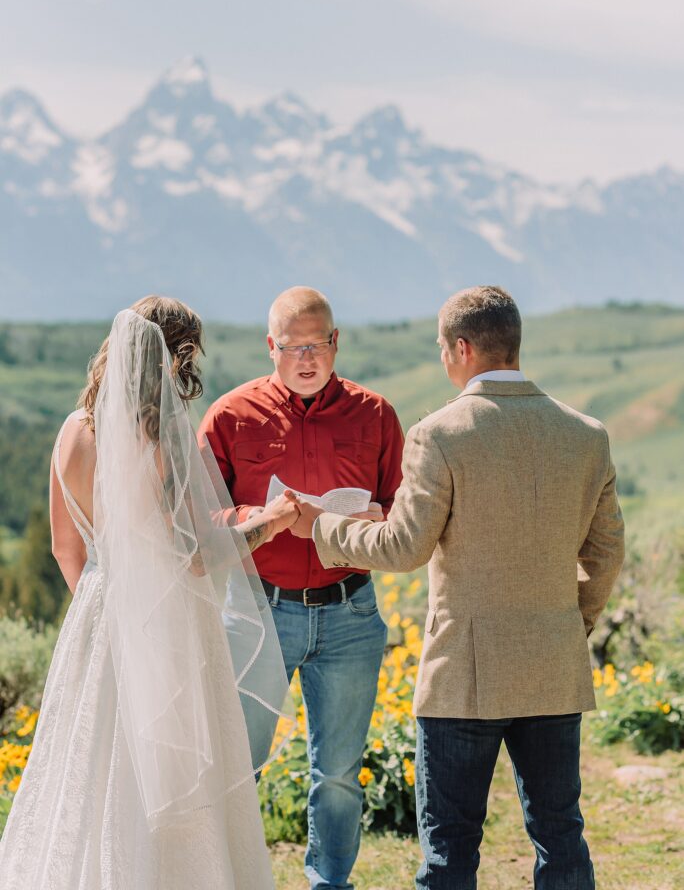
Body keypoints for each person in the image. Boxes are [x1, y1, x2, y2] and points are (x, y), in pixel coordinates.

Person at [289, 285, 625, 890]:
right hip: (552, 661)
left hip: (461, 678)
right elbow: (605, 553)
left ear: (463, 349)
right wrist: (571, 622)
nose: (443, 358)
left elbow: (403, 547)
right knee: (560, 833)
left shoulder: (440, 434)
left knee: (450, 850)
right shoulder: (587, 435)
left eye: (444, 348)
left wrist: (326, 528)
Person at [0, 296, 299, 890]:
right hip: (166, 623)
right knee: (170, 767)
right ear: (175, 356)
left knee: (87, 767)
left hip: (97, 615)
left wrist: (111, 604)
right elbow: (196, 560)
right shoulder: (162, 437)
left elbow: (67, 549)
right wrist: (274, 519)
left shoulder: (73, 430)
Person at [198, 286, 404, 890]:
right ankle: (229, 879)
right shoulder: (232, 416)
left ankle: (328, 883)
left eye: (317, 345)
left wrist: (353, 521)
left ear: (336, 342)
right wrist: (263, 522)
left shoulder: (376, 415)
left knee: (339, 773)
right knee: (241, 766)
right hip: (258, 609)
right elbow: (203, 518)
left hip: (349, 612)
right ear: (271, 347)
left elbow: (400, 510)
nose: (306, 358)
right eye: (292, 347)